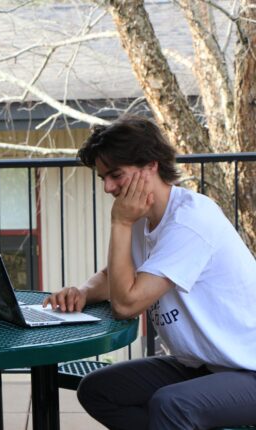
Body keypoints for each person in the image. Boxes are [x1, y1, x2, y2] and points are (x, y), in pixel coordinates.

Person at [43, 115, 256, 429]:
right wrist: (84, 291)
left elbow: (126, 303)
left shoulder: (189, 221)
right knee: (99, 391)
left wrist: (120, 223)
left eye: (115, 175)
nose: (107, 187)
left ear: (150, 165)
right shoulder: (144, 217)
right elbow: (110, 277)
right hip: (204, 365)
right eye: (102, 177)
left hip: (248, 370)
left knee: (172, 405)